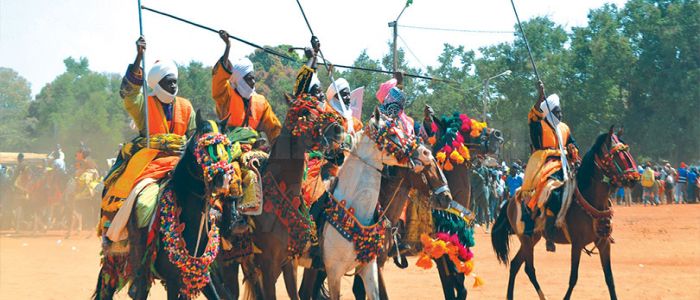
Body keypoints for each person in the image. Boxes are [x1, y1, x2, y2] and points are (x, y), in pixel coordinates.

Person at [100, 36, 196, 238]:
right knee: (135, 197)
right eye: (168, 83)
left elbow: (193, 136)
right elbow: (128, 92)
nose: (172, 87)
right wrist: (138, 56)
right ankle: (121, 234)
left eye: (174, 82)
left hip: (180, 160)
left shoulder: (186, 106)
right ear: (157, 83)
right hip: (150, 160)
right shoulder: (143, 103)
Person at [519, 81, 580, 252]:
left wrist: (573, 150)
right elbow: (533, 115)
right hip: (545, 162)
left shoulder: (564, 128)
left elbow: (572, 143)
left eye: (561, 112)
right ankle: (548, 232)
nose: (560, 115)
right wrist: (540, 94)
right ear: (548, 113)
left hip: (564, 162)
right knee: (550, 191)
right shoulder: (538, 124)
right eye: (557, 112)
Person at [212, 30, 281, 145]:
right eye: (249, 79)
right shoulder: (226, 95)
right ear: (238, 79)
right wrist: (228, 46)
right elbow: (218, 79)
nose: (253, 82)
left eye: (253, 78)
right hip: (228, 148)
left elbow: (274, 129)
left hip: (254, 148)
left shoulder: (261, 102)